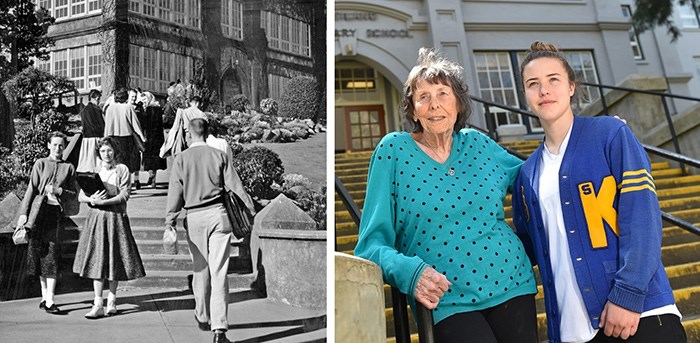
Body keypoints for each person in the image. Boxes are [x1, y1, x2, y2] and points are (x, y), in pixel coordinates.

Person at [353, 48, 539, 342]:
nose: (434, 105)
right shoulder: (394, 151)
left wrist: (589, 142)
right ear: (413, 110)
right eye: (423, 97)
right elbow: (370, 246)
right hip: (445, 299)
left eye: (443, 93)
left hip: (513, 281)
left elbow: (538, 179)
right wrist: (408, 272)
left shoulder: (479, 144)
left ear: (458, 106)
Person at [512, 41, 686, 343]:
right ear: (525, 95)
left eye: (553, 80)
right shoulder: (527, 175)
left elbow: (642, 217)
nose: (544, 91)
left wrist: (627, 295)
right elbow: (527, 248)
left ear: (571, 87)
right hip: (571, 331)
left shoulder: (610, 134)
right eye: (533, 84)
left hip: (638, 317)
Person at [164, 118, 255, 343]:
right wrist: (250, 208)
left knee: (200, 269)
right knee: (219, 272)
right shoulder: (219, 156)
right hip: (218, 215)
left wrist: (170, 221)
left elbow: (175, 193)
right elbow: (235, 186)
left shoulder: (181, 159)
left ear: (188, 134)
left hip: (194, 216)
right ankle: (220, 328)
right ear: (206, 133)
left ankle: (202, 314)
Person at [73, 137, 146, 319]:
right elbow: (81, 195)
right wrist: (91, 200)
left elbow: (124, 194)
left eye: (110, 150)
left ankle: (112, 300)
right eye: (103, 151)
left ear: (115, 151)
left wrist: (104, 201)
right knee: (97, 260)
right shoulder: (95, 171)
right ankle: (98, 302)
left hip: (115, 218)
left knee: (114, 258)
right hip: (97, 219)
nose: (107, 154)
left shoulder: (122, 169)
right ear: (99, 153)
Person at [16, 131, 79, 314]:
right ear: (48, 146)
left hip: (55, 215)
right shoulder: (40, 164)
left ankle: (50, 300)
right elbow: (31, 189)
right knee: (39, 254)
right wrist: (23, 214)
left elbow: (74, 195)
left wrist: (59, 190)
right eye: (55, 144)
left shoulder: (69, 167)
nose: (58, 148)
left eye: (61, 145)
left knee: (51, 255)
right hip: (38, 214)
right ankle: (45, 298)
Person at [103, 88, 146, 189]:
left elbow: (107, 125)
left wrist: (105, 138)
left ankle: (118, 184)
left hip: (113, 137)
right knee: (128, 163)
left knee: (116, 162)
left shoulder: (110, 108)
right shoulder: (128, 107)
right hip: (127, 138)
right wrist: (142, 137)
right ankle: (128, 184)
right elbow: (135, 124)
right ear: (125, 97)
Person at [138, 91, 167, 188]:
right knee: (154, 160)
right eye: (142, 100)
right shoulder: (157, 108)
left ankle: (152, 178)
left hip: (150, 137)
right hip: (157, 137)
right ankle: (152, 178)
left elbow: (146, 124)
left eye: (145, 99)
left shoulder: (150, 109)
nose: (144, 102)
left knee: (150, 159)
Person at [77, 89, 105, 172]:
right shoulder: (96, 110)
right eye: (98, 99)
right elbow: (101, 124)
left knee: (88, 159)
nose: (98, 101)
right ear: (93, 98)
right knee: (96, 160)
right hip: (96, 137)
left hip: (87, 138)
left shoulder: (85, 109)